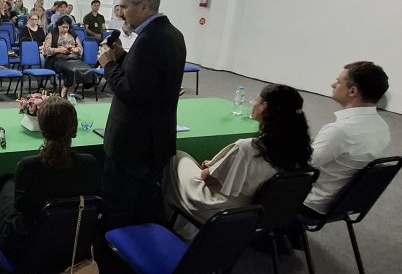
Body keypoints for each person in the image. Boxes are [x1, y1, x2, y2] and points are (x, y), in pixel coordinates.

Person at [164, 84, 313, 238]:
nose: (253, 103)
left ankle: (173, 218)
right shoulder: (298, 148)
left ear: (263, 107)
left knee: (177, 157)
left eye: (256, 100)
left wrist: (212, 167)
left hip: (218, 208)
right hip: (253, 209)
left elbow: (207, 178)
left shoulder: (248, 148)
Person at [97, 0, 187, 228]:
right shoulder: (171, 34)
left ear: (144, 6)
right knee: (144, 203)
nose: (120, 13)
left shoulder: (149, 40)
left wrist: (109, 64)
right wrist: (122, 57)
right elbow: (147, 80)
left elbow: (131, 92)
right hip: (155, 138)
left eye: (124, 7)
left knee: (120, 208)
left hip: (133, 143)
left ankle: (116, 256)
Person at [0, 97, 100, 261]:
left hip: (25, 249)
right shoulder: (90, 163)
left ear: (42, 130)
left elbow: (20, 206)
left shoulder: (27, 167)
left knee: (4, 185)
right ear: (74, 130)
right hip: (73, 242)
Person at [301, 61, 391, 216]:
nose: (332, 85)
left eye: (338, 82)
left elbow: (302, 165)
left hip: (313, 202)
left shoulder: (340, 131)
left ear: (352, 91)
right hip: (343, 202)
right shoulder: (383, 127)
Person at [43, 16, 96, 98]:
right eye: (63, 27)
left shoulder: (73, 34)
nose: (65, 29)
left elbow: (80, 48)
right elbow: (46, 50)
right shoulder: (52, 34)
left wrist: (75, 49)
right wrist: (58, 50)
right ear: (58, 26)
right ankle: (69, 89)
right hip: (58, 59)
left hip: (73, 57)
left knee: (87, 68)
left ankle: (67, 87)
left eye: (67, 27)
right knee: (71, 70)